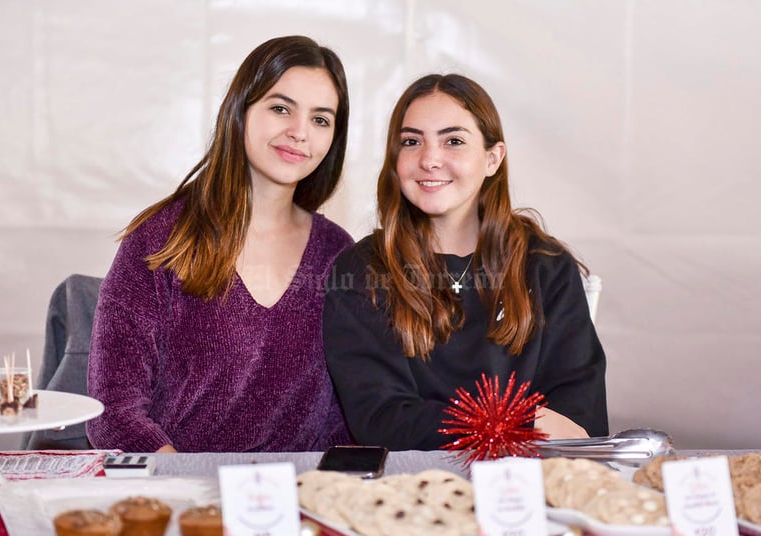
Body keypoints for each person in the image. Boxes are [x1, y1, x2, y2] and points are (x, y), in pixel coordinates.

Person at [87, 35, 354, 453]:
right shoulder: (162, 238)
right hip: (182, 499)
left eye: (321, 119)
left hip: (299, 501)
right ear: (240, 112)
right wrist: (188, 489)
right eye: (280, 108)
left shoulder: (338, 252)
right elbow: (113, 410)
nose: (300, 132)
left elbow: (346, 418)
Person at [323, 73, 608, 451]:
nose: (429, 159)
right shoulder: (360, 270)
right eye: (411, 141)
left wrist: (448, 422)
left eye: (453, 141)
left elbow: (580, 419)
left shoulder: (545, 265)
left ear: (493, 159)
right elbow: (380, 419)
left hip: (528, 492)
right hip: (408, 494)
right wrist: (512, 422)